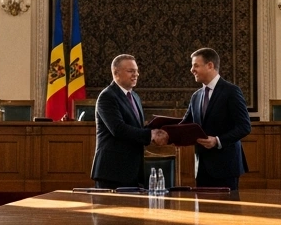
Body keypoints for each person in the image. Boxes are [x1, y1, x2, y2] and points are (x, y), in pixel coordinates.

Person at [91, 54, 168, 188]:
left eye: (137, 71)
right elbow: (118, 129)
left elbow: (135, 127)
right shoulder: (107, 97)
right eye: (131, 71)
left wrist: (158, 130)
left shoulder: (135, 97)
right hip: (112, 171)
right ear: (116, 73)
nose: (136, 74)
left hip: (133, 170)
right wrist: (151, 135)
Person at [180, 48, 250, 189]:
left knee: (227, 210)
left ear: (210, 65)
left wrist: (217, 141)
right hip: (202, 167)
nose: (191, 70)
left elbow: (244, 127)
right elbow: (185, 125)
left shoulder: (231, 91)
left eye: (196, 65)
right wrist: (163, 132)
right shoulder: (196, 96)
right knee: (204, 210)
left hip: (226, 167)